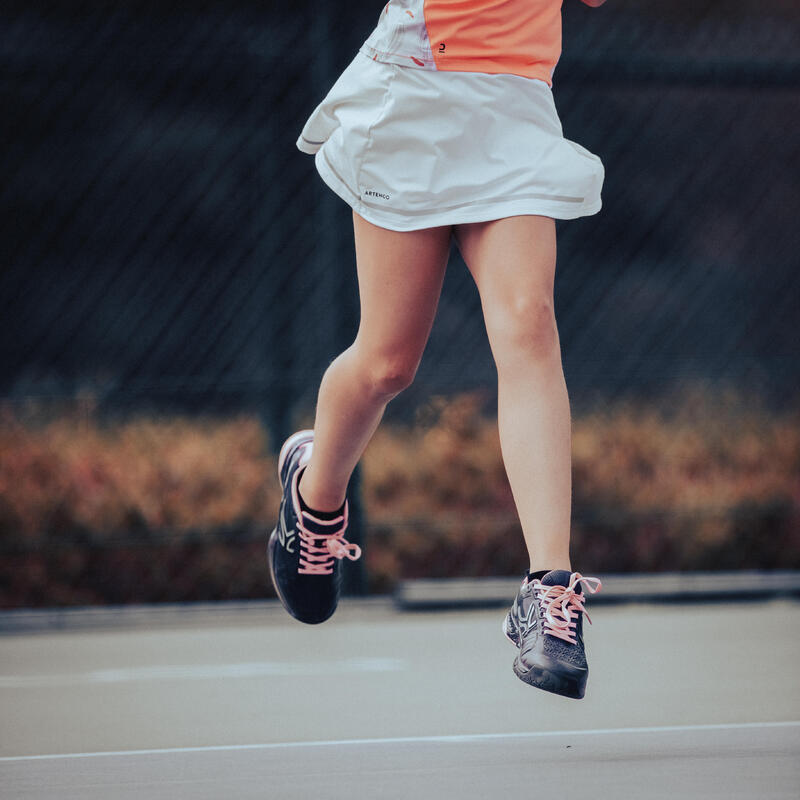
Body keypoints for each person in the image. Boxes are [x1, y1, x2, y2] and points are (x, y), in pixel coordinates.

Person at [268, 0, 605, 699]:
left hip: (516, 104)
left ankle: (550, 594)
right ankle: (315, 497)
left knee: (528, 320)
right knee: (389, 361)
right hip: (416, 90)